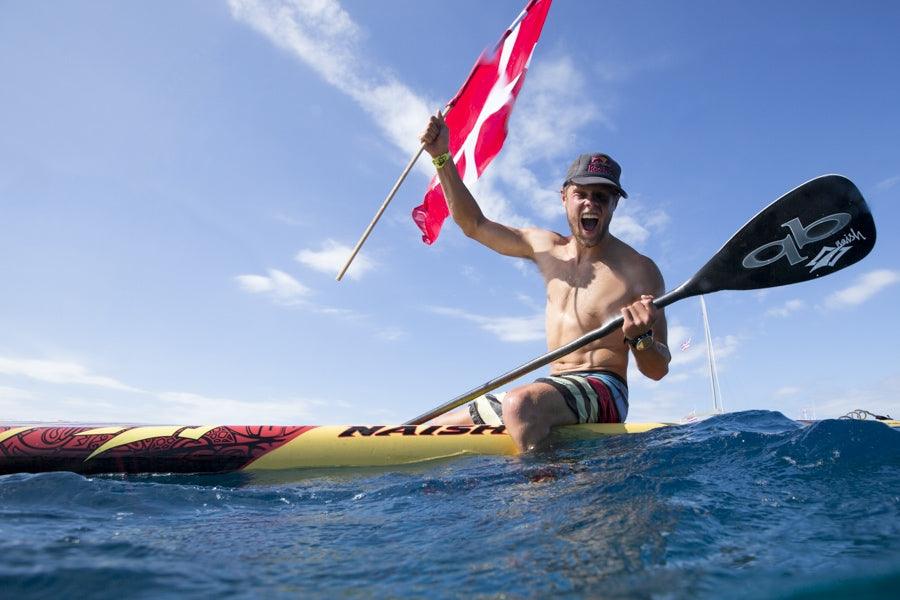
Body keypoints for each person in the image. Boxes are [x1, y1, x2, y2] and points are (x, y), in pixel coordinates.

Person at [420, 111, 671, 452]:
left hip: (606, 390)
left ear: (614, 205)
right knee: (431, 429)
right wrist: (440, 157)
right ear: (564, 196)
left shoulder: (640, 271)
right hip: (552, 388)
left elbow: (658, 369)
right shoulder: (545, 248)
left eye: (602, 197)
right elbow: (474, 225)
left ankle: (545, 500)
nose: (591, 203)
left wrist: (641, 341)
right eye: (583, 193)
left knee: (519, 405)